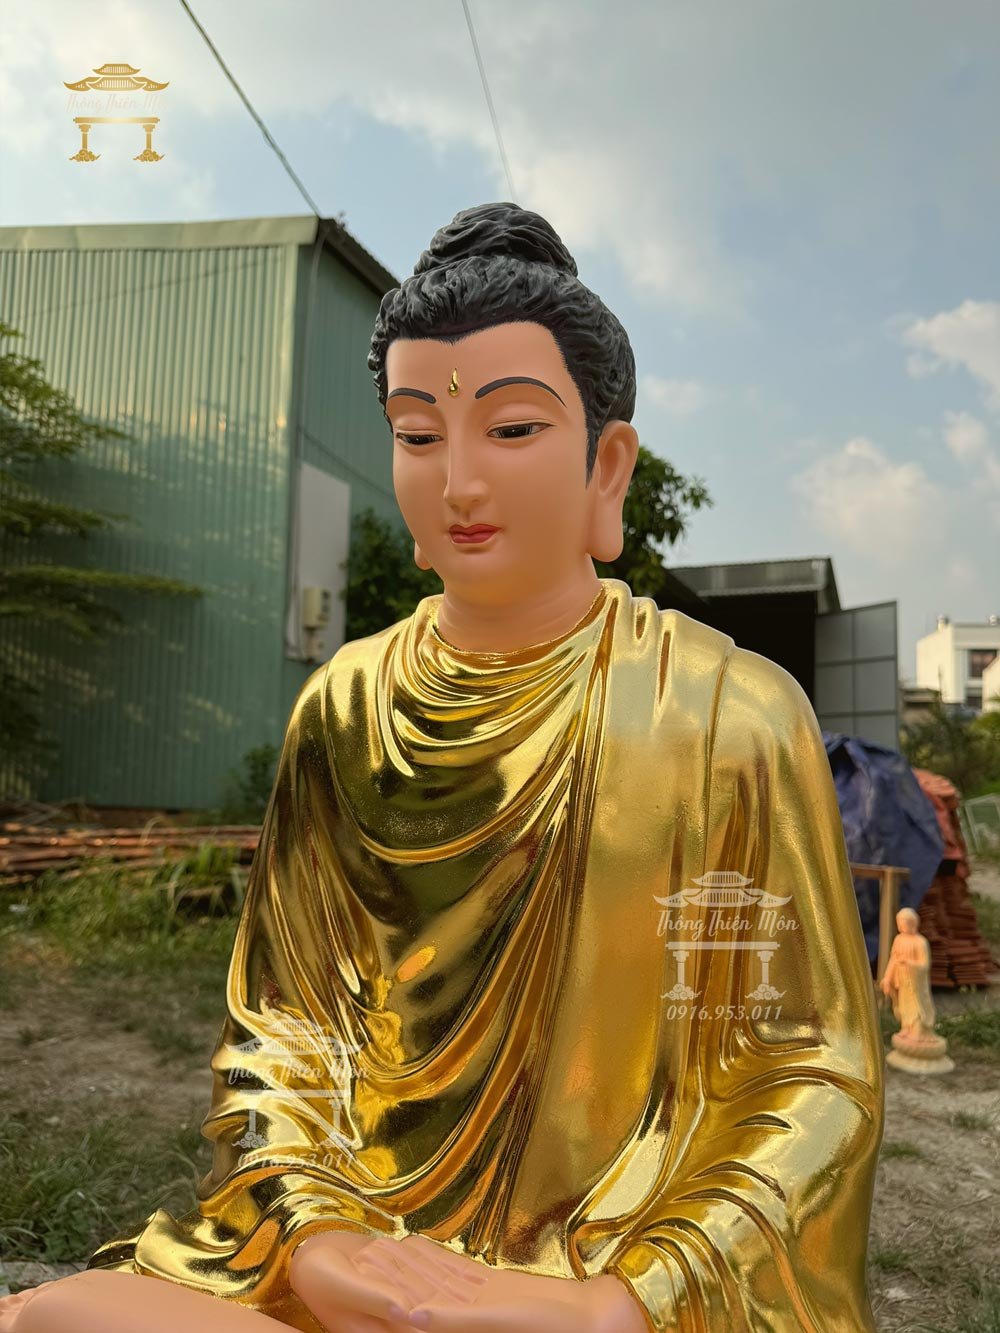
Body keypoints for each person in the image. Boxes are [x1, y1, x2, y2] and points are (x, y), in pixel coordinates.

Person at [0, 202, 884, 1333]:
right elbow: (283, 1032)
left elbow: (808, 1073)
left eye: (510, 429)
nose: (458, 480)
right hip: (361, 1252)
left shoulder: (729, 714)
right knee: (57, 1316)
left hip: (611, 1272)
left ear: (607, 466)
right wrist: (316, 1235)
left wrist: (625, 1300)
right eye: (418, 436)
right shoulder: (345, 706)